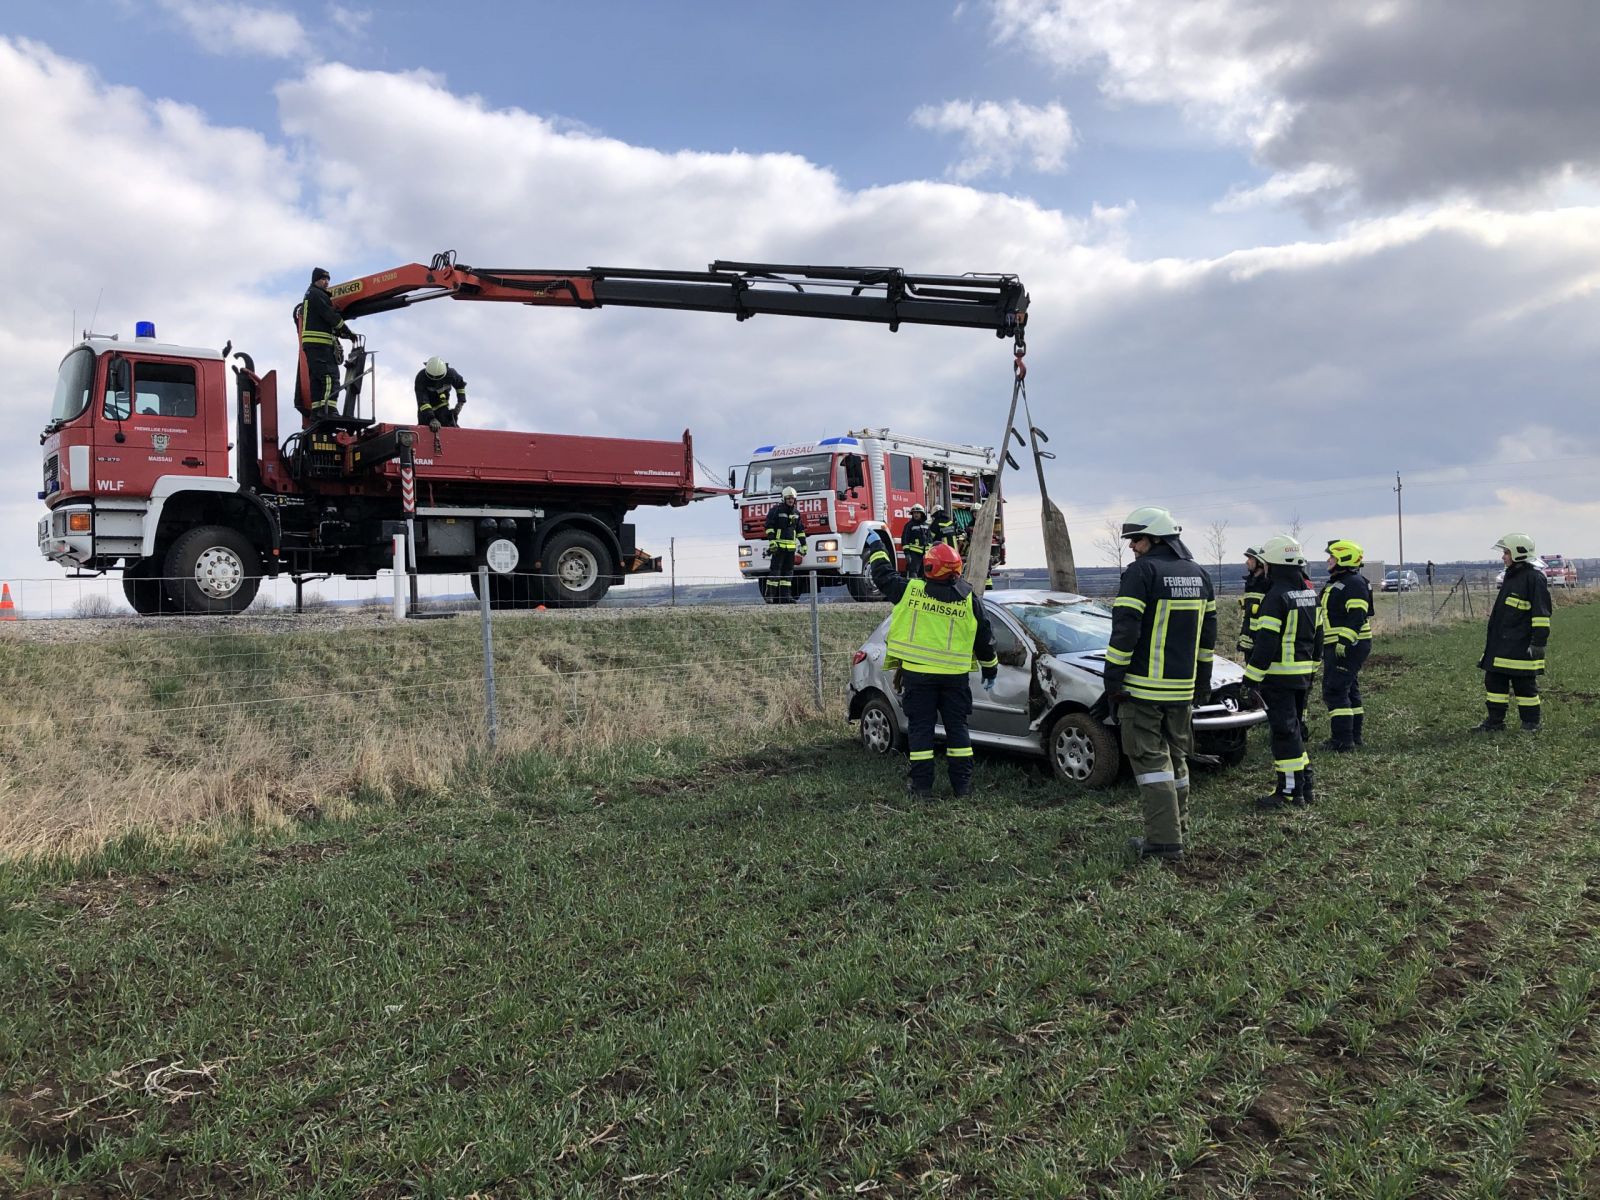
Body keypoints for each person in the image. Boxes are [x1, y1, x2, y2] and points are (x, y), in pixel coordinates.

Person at [1102, 506, 1217, 862]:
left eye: (1136, 539)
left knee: (1151, 765)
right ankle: (1178, 828)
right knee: (1177, 760)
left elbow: (1125, 629)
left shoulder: (1142, 572)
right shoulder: (1200, 575)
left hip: (1143, 690)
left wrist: (1113, 677)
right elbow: (1208, 637)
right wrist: (1202, 681)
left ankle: (1164, 843)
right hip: (1182, 690)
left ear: (1155, 538)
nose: (1132, 546)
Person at [865, 532, 998, 798]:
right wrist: (990, 667)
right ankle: (962, 786)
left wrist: (878, 547)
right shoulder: (968, 599)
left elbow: (883, 576)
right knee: (957, 730)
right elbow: (984, 636)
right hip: (955, 678)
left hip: (918, 676)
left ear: (928, 567)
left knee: (921, 731)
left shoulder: (911, 591)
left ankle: (922, 787)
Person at [1243, 535, 1320, 809]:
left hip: (1279, 677)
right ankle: (1304, 784)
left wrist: (1251, 677)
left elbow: (1266, 643)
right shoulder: (1311, 595)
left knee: (1283, 735)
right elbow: (1319, 637)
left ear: (1273, 565)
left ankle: (1288, 792)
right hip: (1302, 675)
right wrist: (1313, 669)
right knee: (1294, 730)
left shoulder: (1275, 598)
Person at [1473, 532, 1552, 733]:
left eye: (1506, 553)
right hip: (1501, 646)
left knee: (1524, 686)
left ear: (1519, 553)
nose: (1503, 557)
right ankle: (1495, 722)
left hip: (1521, 647)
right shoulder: (1512, 576)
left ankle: (1531, 724)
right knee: (1494, 682)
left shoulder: (1534, 578)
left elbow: (1541, 614)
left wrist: (1538, 643)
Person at [1319, 539, 1373, 751]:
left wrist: (1345, 640)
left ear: (1344, 557)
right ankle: (1354, 737)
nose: (1328, 560)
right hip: (1338, 644)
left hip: (1348, 645)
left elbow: (1357, 615)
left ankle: (1342, 741)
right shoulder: (1337, 582)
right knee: (1348, 689)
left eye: (1332, 556)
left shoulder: (1354, 583)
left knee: (1335, 690)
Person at [295, 267, 355, 421]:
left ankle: (317, 410)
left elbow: (321, 319)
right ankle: (329, 409)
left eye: (328, 279)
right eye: (323, 279)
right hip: (320, 344)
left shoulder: (311, 295)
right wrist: (346, 331)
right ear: (316, 280)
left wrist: (338, 332)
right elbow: (329, 315)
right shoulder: (318, 295)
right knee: (330, 376)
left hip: (312, 344)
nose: (326, 282)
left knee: (317, 378)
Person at [764, 486, 807, 604]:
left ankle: (786, 597)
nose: (790, 500)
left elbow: (800, 530)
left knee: (788, 574)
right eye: (788, 498)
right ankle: (770, 596)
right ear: (783, 499)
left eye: (792, 498)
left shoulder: (796, 513)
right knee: (775, 572)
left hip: (790, 549)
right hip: (778, 547)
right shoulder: (776, 510)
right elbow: (769, 526)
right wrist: (772, 541)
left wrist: (804, 545)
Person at [414, 357, 468, 426]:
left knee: (449, 426)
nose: (436, 381)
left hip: (442, 407)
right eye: (432, 378)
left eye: (438, 378)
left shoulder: (451, 374)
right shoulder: (421, 378)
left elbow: (460, 385)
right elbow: (422, 401)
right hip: (425, 410)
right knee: (426, 429)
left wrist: (460, 402)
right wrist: (431, 419)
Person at [1237, 546, 1268, 656]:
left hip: (1261, 644)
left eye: (1250, 558)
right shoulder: (1251, 583)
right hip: (1249, 643)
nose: (1247, 562)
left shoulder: (1268, 584)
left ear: (1260, 561)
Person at [901, 504, 931, 579]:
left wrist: (929, 552)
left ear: (921, 514)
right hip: (914, 554)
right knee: (913, 573)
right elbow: (904, 539)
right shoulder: (909, 525)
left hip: (925, 555)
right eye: (914, 513)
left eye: (918, 513)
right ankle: (913, 586)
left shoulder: (927, 525)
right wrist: (907, 554)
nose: (916, 514)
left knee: (925, 574)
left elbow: (930, 539)